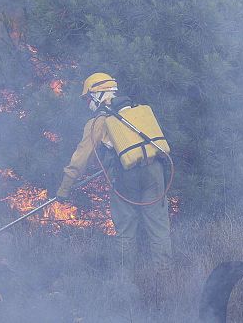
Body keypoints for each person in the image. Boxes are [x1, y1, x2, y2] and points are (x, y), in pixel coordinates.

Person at [56, 72, 173, 270]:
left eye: (87, 99)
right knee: (159, 227)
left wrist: (65, 187)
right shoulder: (138, 111)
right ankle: (164, 275)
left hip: (124, 175)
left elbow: (82, 156)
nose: (87, 103)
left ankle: (124, 279)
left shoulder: (99, 122)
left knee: (125, 230)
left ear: (97, 95)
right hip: (154, 172)